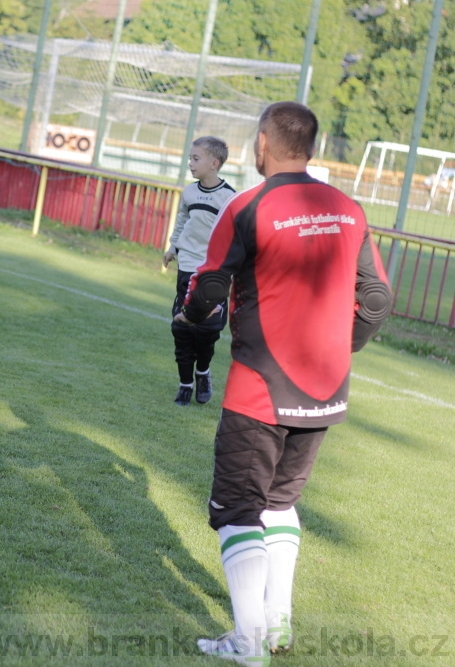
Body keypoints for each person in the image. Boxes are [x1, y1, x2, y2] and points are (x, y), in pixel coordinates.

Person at [176, 102, 392, 665]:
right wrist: (341, 349)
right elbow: (377, 299)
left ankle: (248, 644)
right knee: (280, 501)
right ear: (313, 149)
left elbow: (206, 289)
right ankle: (275, 625)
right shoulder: (349, 209)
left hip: (260, 386)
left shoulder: (249, 206)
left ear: (264, 145)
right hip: (325, 389)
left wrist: (191, 318)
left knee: (236, 509)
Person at [163, 136, 235, 406]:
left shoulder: (229, 198)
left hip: (212, 277)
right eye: (190, 158)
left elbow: (234, 237)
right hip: (186, 269)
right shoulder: (189, 193)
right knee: (181, 329)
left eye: (196, 158)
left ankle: (203, 372)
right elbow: (182, 220)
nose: (190, 163)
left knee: (207, 331)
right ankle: (185, 384)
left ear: (214, 163)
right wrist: (172, 247)